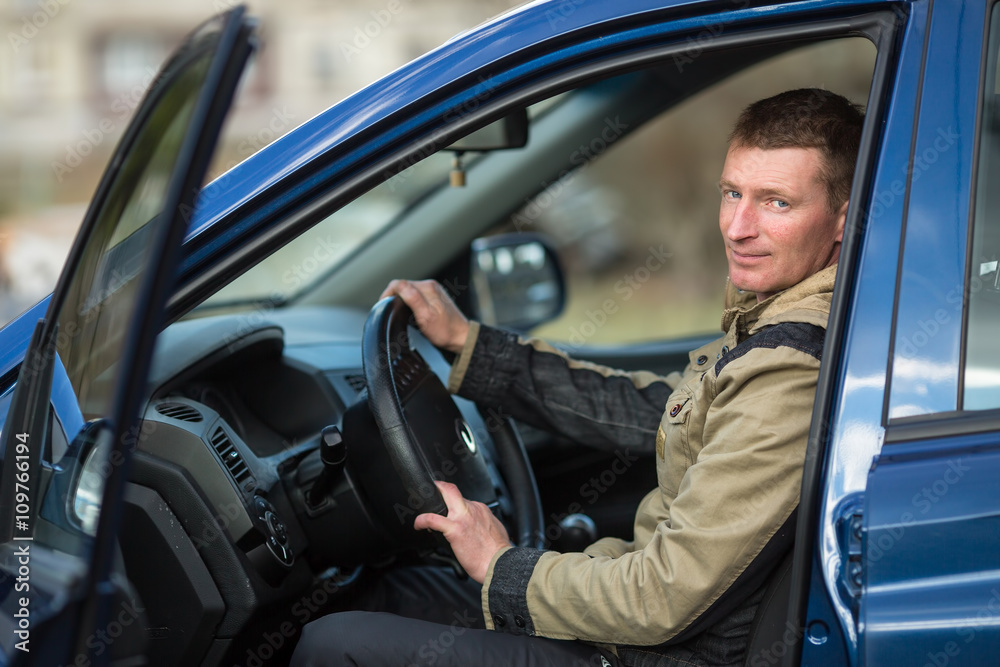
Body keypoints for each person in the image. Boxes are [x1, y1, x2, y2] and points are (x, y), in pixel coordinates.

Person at [291, 88, 864, 666]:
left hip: (652, 653)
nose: (737, 227)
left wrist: (501, 564)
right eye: (732, 193)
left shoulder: (789, 364)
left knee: (332, 646)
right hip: (629, 621)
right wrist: (473, 347)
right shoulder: (766, 324)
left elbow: (664, 596)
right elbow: (653, 412)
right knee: (384, 593)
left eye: (777, 203)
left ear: (842, 218)